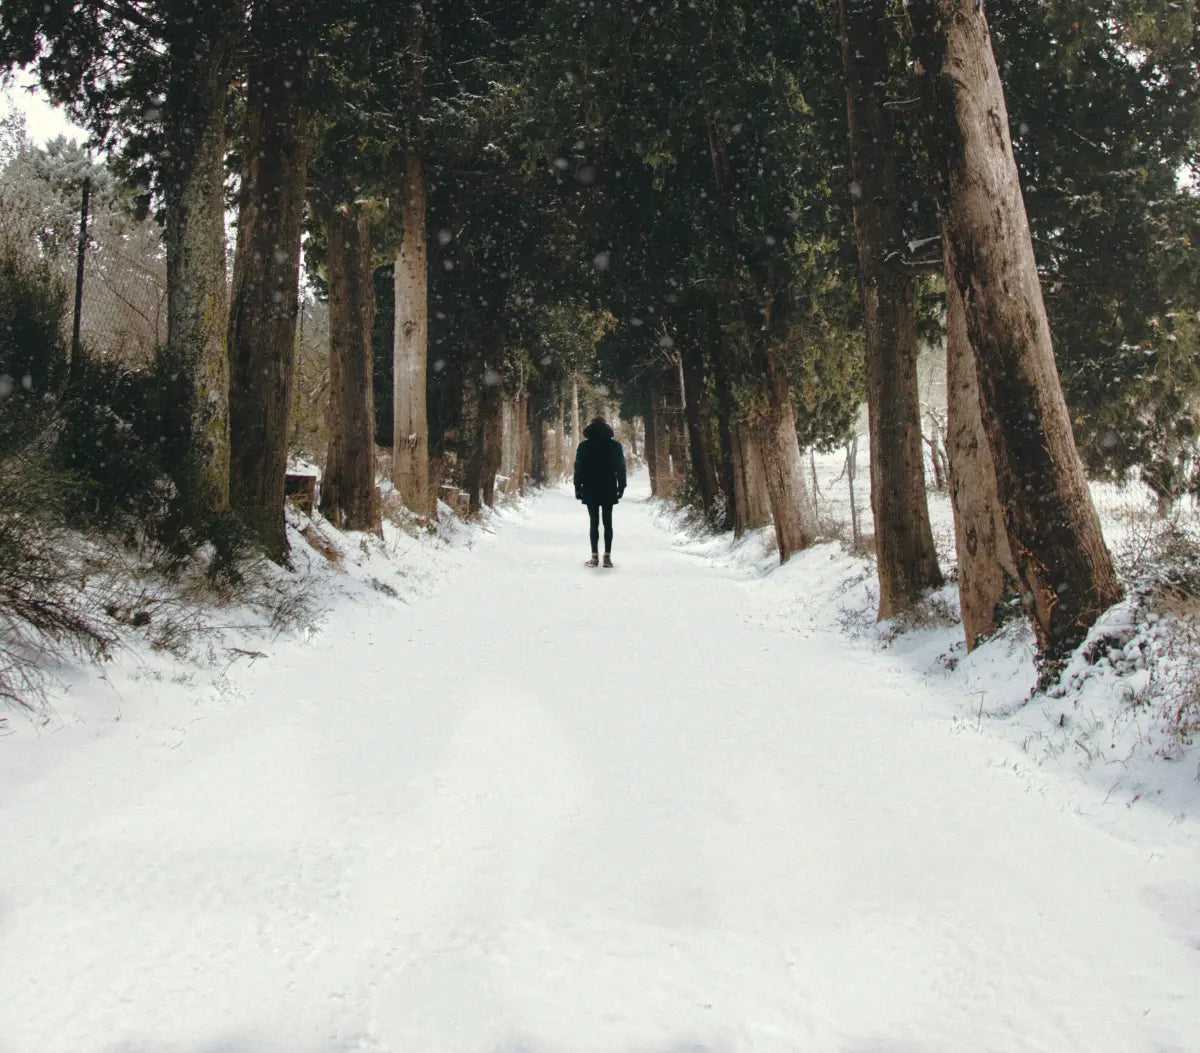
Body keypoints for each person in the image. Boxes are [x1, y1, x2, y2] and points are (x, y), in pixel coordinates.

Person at [573, 415, 626, 567]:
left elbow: (578, 468)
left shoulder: (584, 446)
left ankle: (594, 557)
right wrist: (621, 486)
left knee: (593, 522)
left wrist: (577, 487)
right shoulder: (615, 446)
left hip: (590, 486)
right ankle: (607, 558)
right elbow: (621, 467)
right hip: (608, 485)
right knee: (608, 522)